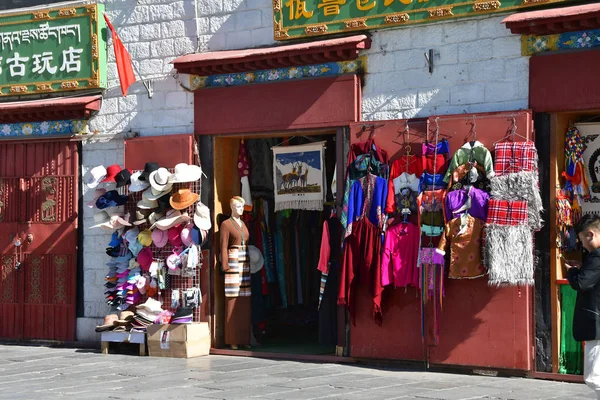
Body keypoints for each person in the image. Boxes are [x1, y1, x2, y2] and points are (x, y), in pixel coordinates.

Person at [568, 214, 600, 399]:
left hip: (595, 324)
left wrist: (572, 272)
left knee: (593, 377)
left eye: (581, 240)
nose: (583, 245)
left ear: (591, 235)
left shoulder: (596, 257)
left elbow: (581, 283)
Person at [219, 196, 252, 349]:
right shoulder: (226, 224)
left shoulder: (243, 224)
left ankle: (244, 338)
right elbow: (223, 246)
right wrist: (225, 266)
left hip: (244, 263)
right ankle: (232, 339)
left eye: (242, 206)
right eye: (238, 206)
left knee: (244, 300)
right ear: (231, 207)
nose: (241, 208)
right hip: (233, 263)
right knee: (232, 300)